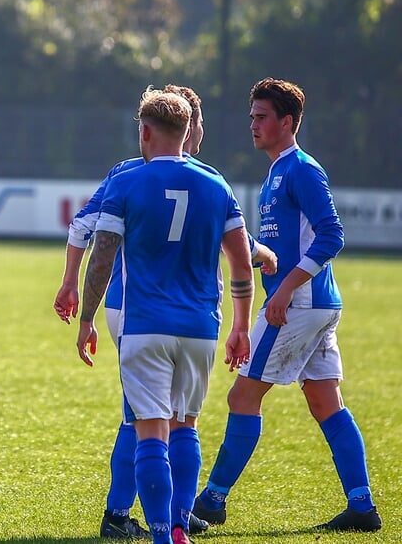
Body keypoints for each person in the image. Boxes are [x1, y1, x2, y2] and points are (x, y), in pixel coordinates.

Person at [54, 85, 275, 539]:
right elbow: (240, 261)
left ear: (146, 130)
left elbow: (102, 253)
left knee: (146, 424)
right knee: (185, 426)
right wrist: (239, 325)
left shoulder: (128, 179)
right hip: (199, 327)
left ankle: (154, 530)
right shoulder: (217, 183)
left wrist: (86, 318)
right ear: (190, 130)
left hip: (143, 323)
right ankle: (178, 524)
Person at [192, 78, 382, 533]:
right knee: (324, 400)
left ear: (287, 122)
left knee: (242, 396)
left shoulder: (300, 169)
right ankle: (362, 507)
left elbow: (332, 234)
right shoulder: (278, 169)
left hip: (297, 304)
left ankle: (211, 503)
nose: (252, 124)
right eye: (252, 116)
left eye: (261, 117)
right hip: (313, 303)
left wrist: (282, 290)